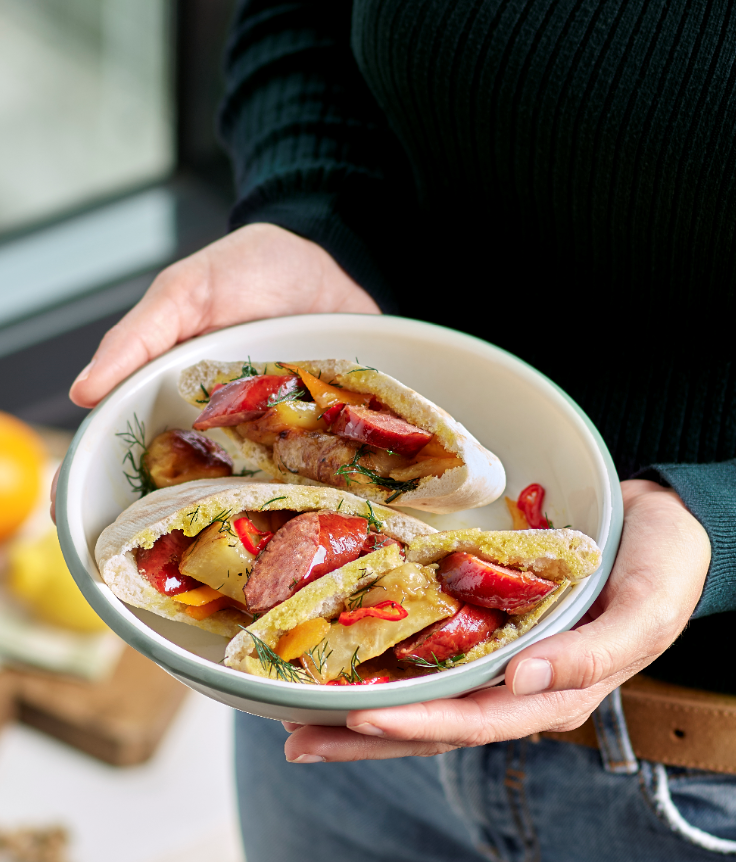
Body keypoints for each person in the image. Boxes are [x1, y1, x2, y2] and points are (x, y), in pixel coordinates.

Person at [55, 1, 736, 859]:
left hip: (699, 792)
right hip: (319, 728)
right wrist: (314, 216)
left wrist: (721, 520)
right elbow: (299, 18)